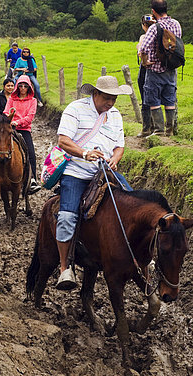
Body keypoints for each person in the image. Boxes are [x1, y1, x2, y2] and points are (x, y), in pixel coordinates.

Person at [55, 75, 133, 290]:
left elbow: (119, 146)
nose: (111, 103)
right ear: (95, 94)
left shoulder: (115, 115)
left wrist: (115, 159)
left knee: (135, 207)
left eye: (114, 99)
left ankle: (139, 257)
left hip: (105, 172)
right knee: (66, 217)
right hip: (77, 171)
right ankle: (64, 268)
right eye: (107, 98)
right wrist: (85, 153)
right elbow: (63, 140)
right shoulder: (75, 109)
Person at [139, 0, 182, 136]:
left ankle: (158, 131)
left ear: (153, 11)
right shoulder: (176, 24)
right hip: (171, 68)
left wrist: (145, 62)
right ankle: (170, 130)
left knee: (153, 99)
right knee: (170, 98)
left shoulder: (154, 27)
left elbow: (143, 48)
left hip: (155, 69)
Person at [3, 75, 41, 194]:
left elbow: (30, 117)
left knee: (31, 153)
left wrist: (17, 122)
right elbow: (5, 111)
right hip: (10, 127)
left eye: (25, 86)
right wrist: (9, 120)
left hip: (24, 129)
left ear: (29, 87)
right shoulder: (11, 99)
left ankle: (33, 179)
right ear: (17, 87)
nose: (23, 88)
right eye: (20, 86)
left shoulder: (33, 101)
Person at [136, 14, 157, 137]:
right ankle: (158, 127)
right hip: (161, 69)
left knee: (145, 98)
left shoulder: (144, 36)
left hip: (147, 68)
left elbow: (141, 52)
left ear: (144, 25)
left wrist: (139, 46)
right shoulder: (160, 34)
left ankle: (146, 128)